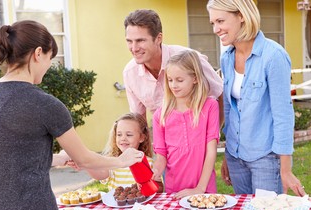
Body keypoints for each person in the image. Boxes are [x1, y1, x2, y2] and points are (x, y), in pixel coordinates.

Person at [0, 20, 144, 210]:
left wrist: (59, 158)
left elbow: (4, 155)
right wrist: (121, 161)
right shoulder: (45, 104)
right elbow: (84, 159)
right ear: (38, 54)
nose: (49, 66)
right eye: (51, 58)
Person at [207, 0, 306, 196]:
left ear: (241, 16)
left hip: (266, 158)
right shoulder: (227, 57)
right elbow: (229, 110)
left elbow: (283, 115)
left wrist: (285, 170)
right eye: (212, 23)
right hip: (236, 157)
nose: (216, 29)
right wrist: (228, 154)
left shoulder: (273, 56)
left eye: (220, 21)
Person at [123, 9, 223, 123]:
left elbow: (220, 95)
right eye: (129, 41)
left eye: (140, 40)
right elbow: (139, 121)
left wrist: (213, 133)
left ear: (158, 38)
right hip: (166, 137)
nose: (134, 48)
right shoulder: (130, 73)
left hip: (198, 134)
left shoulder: (191, 59)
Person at [152, 50, 220, 199]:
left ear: (195, 78)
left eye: (179, 80)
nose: (173, 85)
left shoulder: (209, 106)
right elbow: (161, 156)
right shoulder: (160, 115)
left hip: (204, 190)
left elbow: (211, 152)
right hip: (174, 192)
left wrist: (199, 188)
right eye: (170, 80)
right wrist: (155, 172)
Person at [83, 112, 163, 192]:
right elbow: (100, 175)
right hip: (117, 203)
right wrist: (85, 164)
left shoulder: (148, 162)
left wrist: (156, 181)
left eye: (129, 135)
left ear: (141, 137)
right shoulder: (112, 161)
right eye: (119, 134)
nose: (123, 138)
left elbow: (159, 189)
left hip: (141, 203)